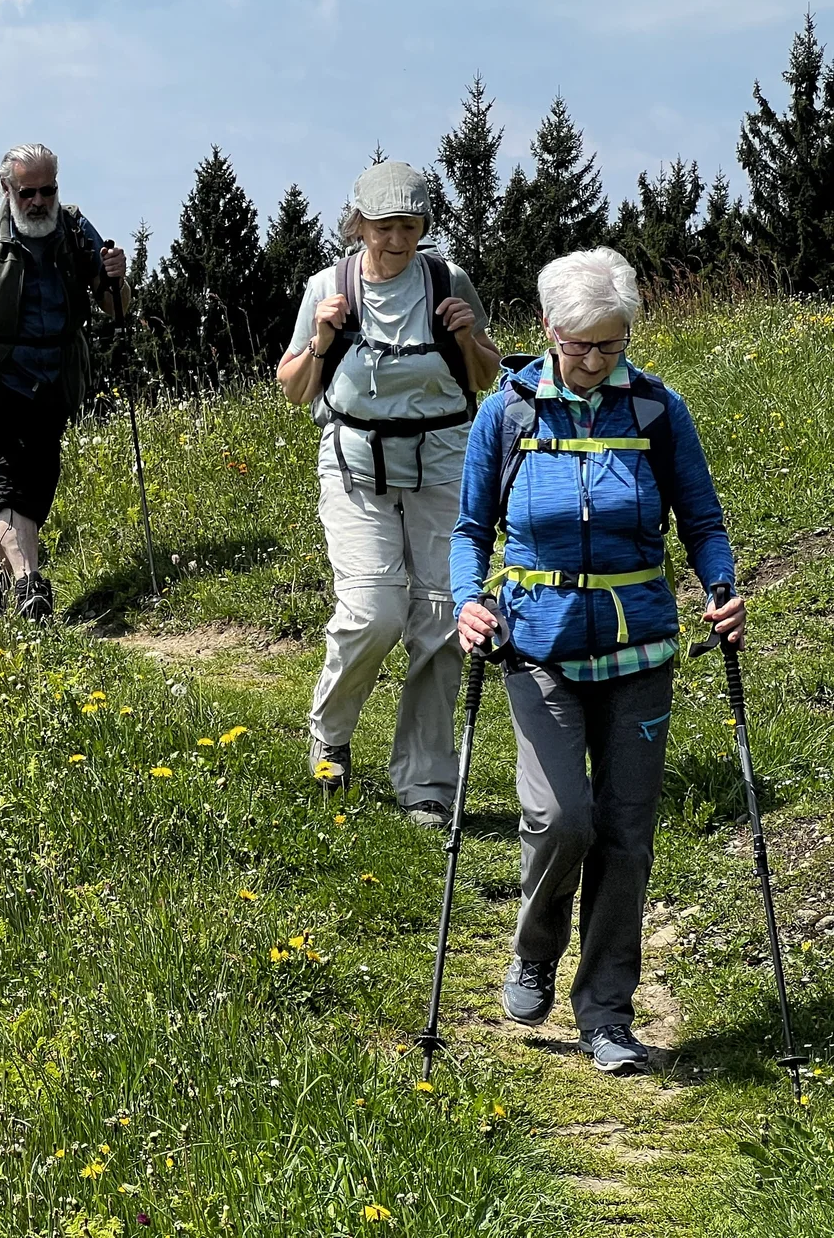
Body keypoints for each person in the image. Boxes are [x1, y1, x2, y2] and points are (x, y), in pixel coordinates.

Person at [453, 247, 741, 1076]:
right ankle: (534, 950)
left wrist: (721, 587)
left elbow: (703, 521)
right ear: (549, 329)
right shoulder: (507, 415)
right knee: (561, 820)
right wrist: (469, 599)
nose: (595, 361)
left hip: (640, 650)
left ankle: (608, 1013)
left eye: (611, 345)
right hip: (537, 647)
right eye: (581, 345)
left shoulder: (656, 409)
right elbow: (470, 531)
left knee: (625, 835)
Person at [275, 160, 501, 822]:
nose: (397, 240)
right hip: (355, 469)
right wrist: (321, 340)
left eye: (409, 226)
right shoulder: (328, 287)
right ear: (358, 226)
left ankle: (426, 782)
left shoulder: (447, 280)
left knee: (442, 619)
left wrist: (466, 335)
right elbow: (294, 389)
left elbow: (484, 376)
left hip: (443, 462)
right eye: (383, 228)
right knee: (374, 611)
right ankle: (330, 735)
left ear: (424, 225)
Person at [0, 143, 130, 620]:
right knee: (12, 480)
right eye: (27, 192)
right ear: (7, 188)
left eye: (47, 190)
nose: (38, 201)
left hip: (55, 378)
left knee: (39, 479)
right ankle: (29, 587)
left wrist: (117, 279)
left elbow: (113, 305)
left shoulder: (74, 229)